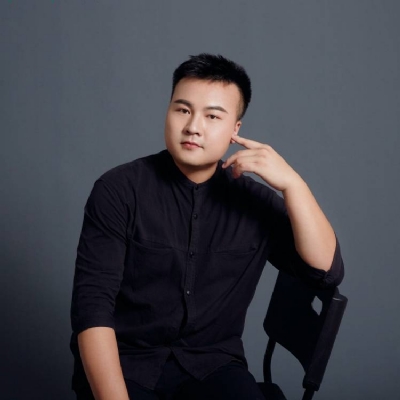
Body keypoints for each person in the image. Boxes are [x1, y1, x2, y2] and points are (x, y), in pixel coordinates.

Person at [70, 53, 344, 400]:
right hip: (125, 365)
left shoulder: (253, 201)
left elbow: (326, 272)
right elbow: (92, 309)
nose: (193, 127)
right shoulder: (118, 190)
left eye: (212, 116)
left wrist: (293, 184)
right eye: (182, 110)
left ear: (235, 130)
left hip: (213, 365)